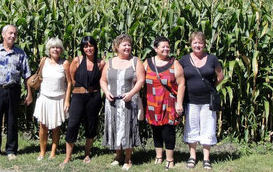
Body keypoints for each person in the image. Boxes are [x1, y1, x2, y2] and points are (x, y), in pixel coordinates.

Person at [0, 24, 33, 161]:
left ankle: (11, 150)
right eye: (10, 33)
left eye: (15, 34)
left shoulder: (20, 54)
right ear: (3, 35)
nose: (12, 36)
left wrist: (29, 94)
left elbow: (27, 76)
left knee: (12, 121)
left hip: (13, 90)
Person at [179, 31, 224, 170]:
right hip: (190, 100)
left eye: (200, 43)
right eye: (195, 42)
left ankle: (206, 158)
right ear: (190, 44)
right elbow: (180, 79)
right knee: (191, 127)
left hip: (207, 101)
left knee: (208, 127)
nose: (198, 45)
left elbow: (220, 76)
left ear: (204, 44)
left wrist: (210, 87)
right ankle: (192, 156)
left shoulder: (212, 59)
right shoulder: (184, 60)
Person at [100, 34, 145, 171]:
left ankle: (128, 159)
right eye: (124, 45)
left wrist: (131, 94)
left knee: (127, 128)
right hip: (112, 103)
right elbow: (103, 80)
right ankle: (118, 155)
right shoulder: (110, 62)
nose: (127, 47)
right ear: (117, 47)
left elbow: (141, 80)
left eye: (129, 45)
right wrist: (106, 92)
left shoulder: (136, 62)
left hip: (129, 102)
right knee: (114, 127)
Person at [61, 36, 105, 168]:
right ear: (82, 48)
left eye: (91, 45)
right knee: (72, 124)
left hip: (94, 97)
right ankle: (68, 156)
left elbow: (102, 80)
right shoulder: (77, 60)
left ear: (95, 47)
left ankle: (87, 154)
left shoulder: (100, 63)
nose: (88, 48)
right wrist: (80, 89)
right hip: (78, 97)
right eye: (86, 46)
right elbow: (72, 78)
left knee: (90, 125)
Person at [143, 36, 185, 170]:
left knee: (168, 130)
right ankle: (158, 156)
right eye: (163, 47)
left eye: (168, 46)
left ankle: (170, 159)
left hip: (169, 102)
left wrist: (179, 103)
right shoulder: (147, 62)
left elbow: (182, 84)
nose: (166, 49)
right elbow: (138, 79)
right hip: (152, 102)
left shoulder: (174, 63)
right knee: (155, 129)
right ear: (155, 48)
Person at [31, 37, 71, 161]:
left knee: (56, 127)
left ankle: (53, 151)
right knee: (43, 126)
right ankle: (42, 152)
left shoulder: (65, 63)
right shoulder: (44, 61)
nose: (55, 49)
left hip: (58, 98)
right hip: (44, 97)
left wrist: (67, 100)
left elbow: (69, 83)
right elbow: (38, 77)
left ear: (61, 49)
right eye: (53, 47)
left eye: (58, 47)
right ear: (49, 49)